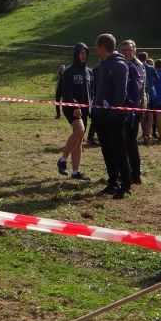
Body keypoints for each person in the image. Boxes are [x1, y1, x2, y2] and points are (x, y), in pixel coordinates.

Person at [91, 33, 131, 199]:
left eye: (96, 46)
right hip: (100, 116)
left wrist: (112, 114)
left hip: (115, 117)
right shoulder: (102, 66)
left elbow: (121, 93)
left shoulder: (119, 65)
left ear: (102, 46)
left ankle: (126, 185)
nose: (95, 49)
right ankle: (112, 182)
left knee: (119, 151)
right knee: (107, 151)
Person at [56, 43, 93, 180]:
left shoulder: (89, 72)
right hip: (71, 107)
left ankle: (76, 172)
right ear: (76, 54)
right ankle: (62, 160)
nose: (83, 56)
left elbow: (91, 92)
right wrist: (75, 106)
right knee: (79, 130)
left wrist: (91, 108)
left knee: (79, 139)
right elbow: (66, 92)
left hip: (85, 109)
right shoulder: (69, 71)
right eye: (81, 53)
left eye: (85, 53)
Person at [119, 39, 146, 185]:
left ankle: (135, 174)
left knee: (130, 141)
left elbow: (136, 88)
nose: (126, 53)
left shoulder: (138, 65)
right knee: (124, 142)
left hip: (135, 108)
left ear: (134, 51)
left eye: (129, 50)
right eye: (123, 50)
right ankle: (127, 172)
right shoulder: (122, 63)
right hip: (124, 108)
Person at [138, 52, 159, 144]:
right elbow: (157, 78)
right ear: (146, 58)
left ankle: (144, 133)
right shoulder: (151, 68)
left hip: (141, 94)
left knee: (142, 115)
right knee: (150, 115)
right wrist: (151, 81)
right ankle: (147, 134)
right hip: (151, 93)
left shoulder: (136, 66)